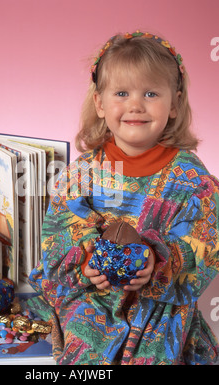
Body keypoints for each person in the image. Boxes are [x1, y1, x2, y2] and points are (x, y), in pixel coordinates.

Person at [27, 31, 219, 365]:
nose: (135, 105)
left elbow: (206, 240)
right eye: (121, 93)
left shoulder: (193, 180)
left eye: (150, 93)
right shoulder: (81, 174)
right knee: (86, 354)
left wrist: (159, 262)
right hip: (93, 296)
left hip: (159, 304)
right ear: (100, 104)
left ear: (174, 103)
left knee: (157, 354)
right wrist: (87, 260)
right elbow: (57, 233)